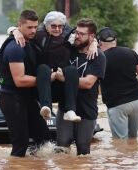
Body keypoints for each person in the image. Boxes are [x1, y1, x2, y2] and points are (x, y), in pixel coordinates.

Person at [8, 11, 99, 122]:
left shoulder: (69, 34)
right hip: (45, 77)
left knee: (72, 70)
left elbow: (87, 35)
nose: (57, 29)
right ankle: (46, 107)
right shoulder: (38, 33)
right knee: (43, 68)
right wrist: (15, 31)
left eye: (60, 26)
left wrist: (94, 42)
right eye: (53, 26)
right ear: (46, 26)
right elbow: (20, 29)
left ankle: (70, 110)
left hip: (62, 77)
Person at [0, 9, 50, 157]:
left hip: (27, 98)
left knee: (44, 138)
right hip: (11, 98)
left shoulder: (30, 40)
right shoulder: (15, 48)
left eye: (35, 27)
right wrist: (46, 79)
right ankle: (16, 165)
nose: (33, 31)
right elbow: (20, 80)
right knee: (21, 144)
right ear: (19, 26)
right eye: (29, 27)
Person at [56, 18, 106, 155]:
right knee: (61, 146)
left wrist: (65, 79)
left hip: (87, 109)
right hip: (65, 107)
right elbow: (53, 28)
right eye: (76, 32)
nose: (77, 36)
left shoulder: (98, 56)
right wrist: (15, 31)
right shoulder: (69, 48)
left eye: (81, 34)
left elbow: (89, 83)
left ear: (91, 36)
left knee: (83, 151)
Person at [98, 27, 138, 139]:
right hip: (136, 101)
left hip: (117, 105)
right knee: (133, 138)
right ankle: (135, 156)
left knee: (120, 143)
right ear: (115, 41)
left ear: (99, 42)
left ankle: (124, 157)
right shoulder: (130, 52)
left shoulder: (101, 58)